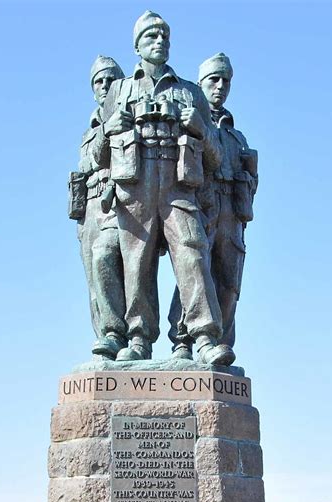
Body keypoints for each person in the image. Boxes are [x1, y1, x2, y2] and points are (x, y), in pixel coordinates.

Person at [92, 11, 234, 365]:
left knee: (192, 252)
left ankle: (203, 338)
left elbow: (216, 159)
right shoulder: (120, 90)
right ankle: (138, 338)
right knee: (135, 263)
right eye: (151, 37)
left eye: (164, 37)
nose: (159, 43)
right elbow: (98, 155)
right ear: (137, 46)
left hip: (177, 185)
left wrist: (201, 127)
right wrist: (111, 126)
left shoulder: (190, 92)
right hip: (135, 186)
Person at [168, 53, 258, 355]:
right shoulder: (189, 121)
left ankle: (221, 344)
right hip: (200, 202)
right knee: (193, 271)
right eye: (213, 80)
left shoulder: (237, 135)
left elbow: (251, 178)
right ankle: (182, 339)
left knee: (229, 282)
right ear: (200, 83)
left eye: (226, 81)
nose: (220, 86)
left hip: (232, 212)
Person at [74, 55, 128, 359]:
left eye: (110, 79)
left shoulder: (125, 117)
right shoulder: (91, 128)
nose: (105, 85)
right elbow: (86, 164)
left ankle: (119, 332)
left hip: (122, 201)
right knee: (95, 281)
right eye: (99, 81)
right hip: (90, 208)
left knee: (110, 261)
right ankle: (108, 342)